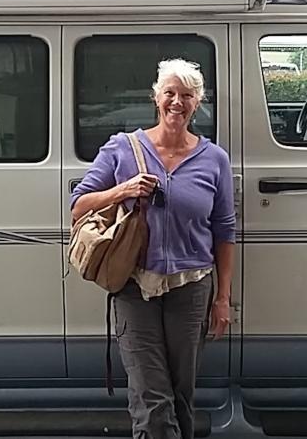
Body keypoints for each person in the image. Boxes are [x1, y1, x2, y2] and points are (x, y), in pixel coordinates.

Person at [70, 58, 236, 439]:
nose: (177, 103)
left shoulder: (214, 159)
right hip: (133, 286)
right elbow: (78, 205)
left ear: (199, 103)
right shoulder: (121, 149)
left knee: (181, 395)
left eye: (187, 96)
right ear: (156, 98)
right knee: (151, 396)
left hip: (191, 286)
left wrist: (223, 298)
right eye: (170, 94)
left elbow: (224, 230)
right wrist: (122, 190)